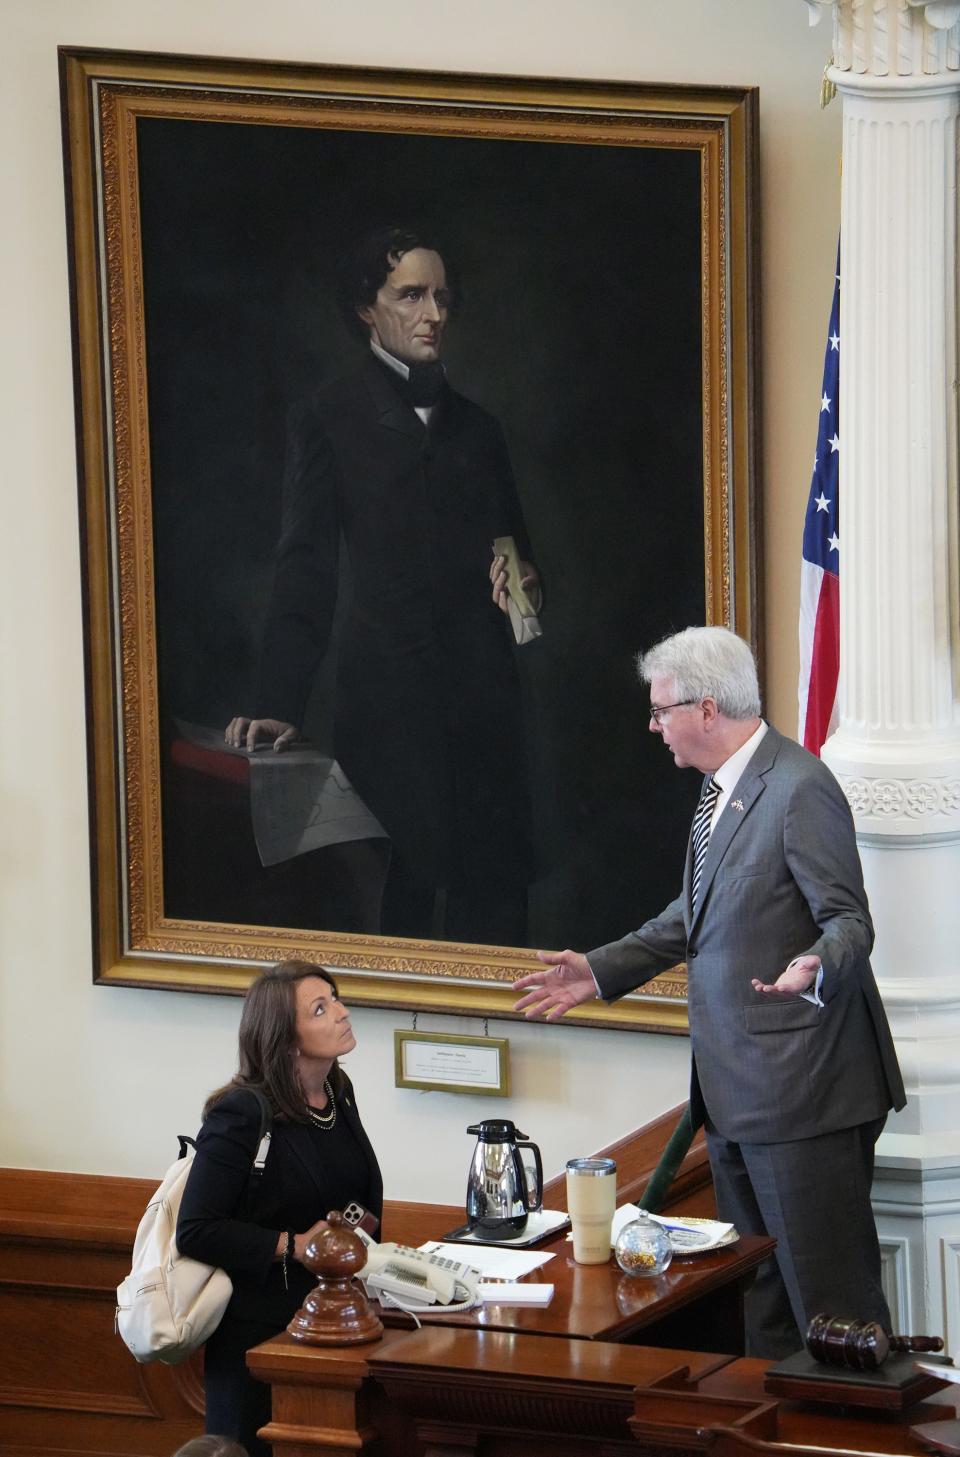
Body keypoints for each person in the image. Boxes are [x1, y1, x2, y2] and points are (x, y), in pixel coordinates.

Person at [514, 626, 905, 1360]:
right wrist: (598, 970)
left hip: (804, 1097)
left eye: (662, 710)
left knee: (834, 1312)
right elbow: (692, 915)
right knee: (763, 1309)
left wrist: (816, 965)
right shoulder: (719, 788)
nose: (653, 725)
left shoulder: (798, 787)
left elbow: (848, 919)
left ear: (707, 707)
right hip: (733, 1095)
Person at [225, 225, 540, 945]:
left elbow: (523, 566)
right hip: (390, 720)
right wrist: (279, 703)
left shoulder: (480, 431)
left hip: (487, 715)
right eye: (411, 295)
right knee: (394, 912)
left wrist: (527, 587)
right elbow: (305, 566)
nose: (434, 313)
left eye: (442, 297)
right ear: (367, 308)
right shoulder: (329, 418)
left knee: (495, 918)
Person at [177, 961, 382, 1457]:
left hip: (333, 1325)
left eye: (334, 998)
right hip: (259, 1339)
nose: (341, 1012)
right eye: (321, 1008)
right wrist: (295, 1245)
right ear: (286, 1039)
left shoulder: (338, 1091)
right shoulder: (242, 1112)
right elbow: (196, 1229)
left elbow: (350, 1196)